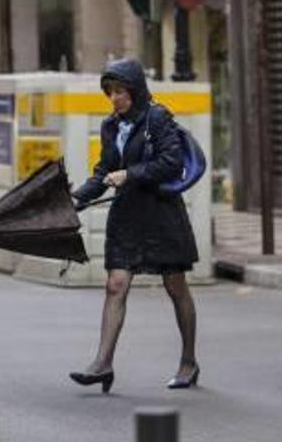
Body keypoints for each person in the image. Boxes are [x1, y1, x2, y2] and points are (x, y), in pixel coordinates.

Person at [69, 58, 200, 393]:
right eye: (109, 92)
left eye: (120, 91)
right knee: (116, 284)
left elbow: (171, 163)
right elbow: (103, 171)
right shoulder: (111, 126)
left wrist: (131, 173)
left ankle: (188, 361)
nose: (114, 98)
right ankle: (102, 363)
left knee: (175, 287)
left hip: (161, 214)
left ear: (136, 89)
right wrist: (77, 199)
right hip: (127, 214)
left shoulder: (157, 117)